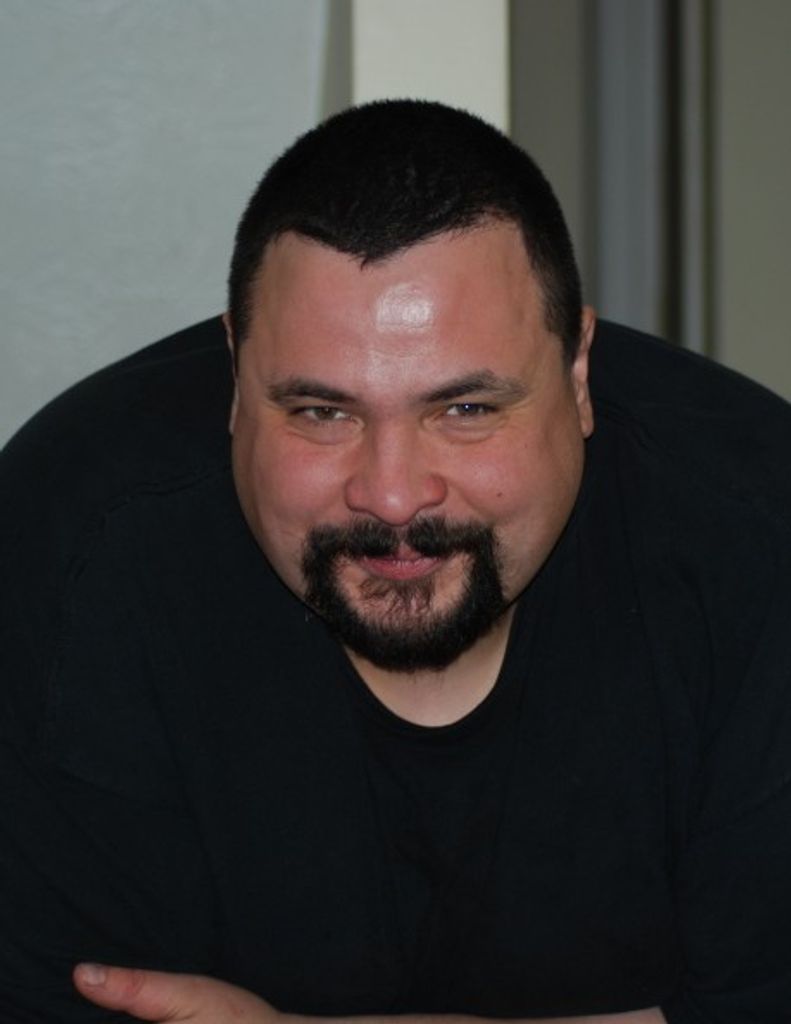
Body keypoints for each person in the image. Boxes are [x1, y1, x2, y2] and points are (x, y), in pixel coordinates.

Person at [1, 100, 790, 1024]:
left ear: (578, 370)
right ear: (235, 374)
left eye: (465, 410)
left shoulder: (756, 535)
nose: (391, 494)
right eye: (320, 413)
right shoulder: (71, 544)